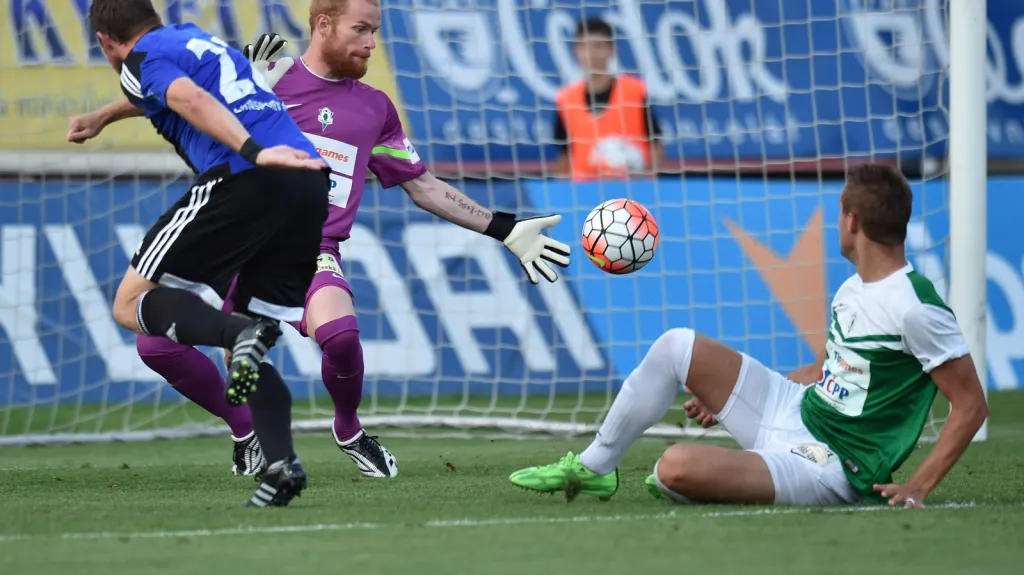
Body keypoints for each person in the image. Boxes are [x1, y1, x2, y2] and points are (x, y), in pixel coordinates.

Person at [70, 0, 572, 481]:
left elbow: (423, 186)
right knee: (154, 344)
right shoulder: (268, 75)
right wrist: (102, 117)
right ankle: (245, 429)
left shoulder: (376, 109)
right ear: (323, 24)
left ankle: (349, 430)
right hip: (242, 234)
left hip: (310, 245)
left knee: (343, 336)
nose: (372, 43)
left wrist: (502, 227)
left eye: (375, 31)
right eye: (362, 29)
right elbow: (174, 92)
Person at [509, 164, 989, 508]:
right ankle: (595, 467)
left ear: (852, 221)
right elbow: (832, 369)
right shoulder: (853, 287)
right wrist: (737, 402)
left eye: (839, 213)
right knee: (678, 345)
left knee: (671, 468)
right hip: (797, 409)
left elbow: (971, 405)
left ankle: (719, 478)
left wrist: (919, 486)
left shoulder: (916, 306)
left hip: (831, 463)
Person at [80, 0, 332, 507]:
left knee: (130, 305)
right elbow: (172, 93)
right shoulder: (195, 38)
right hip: (308, 183)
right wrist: (106, 115)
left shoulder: (138, 61)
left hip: (249, 176)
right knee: (247, 349)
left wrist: (254, 152)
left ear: (106, 41)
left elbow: (188, 97)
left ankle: (239, 333)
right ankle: (281, 466)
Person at [552, 18, 664, 181]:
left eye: (598, 46)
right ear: (576, 51)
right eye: (585, 46)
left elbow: (656, 144)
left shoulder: (634, 91)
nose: (591, 54)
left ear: (611, 50)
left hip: (630, 192)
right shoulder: (566, 99)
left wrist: (647, 177)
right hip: (584, 192)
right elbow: (565, 155)